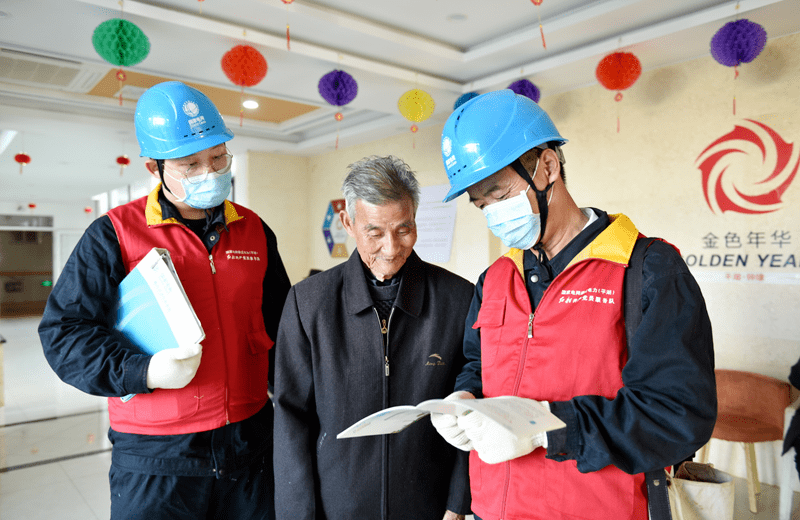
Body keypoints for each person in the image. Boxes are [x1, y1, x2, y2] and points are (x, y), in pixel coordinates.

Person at [430, 89, 717, 520]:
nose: (493, 215)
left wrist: (546, 429)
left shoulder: (646, 269)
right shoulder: (495, 279)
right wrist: (464, 396)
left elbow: (678, 414)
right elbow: (479, 363)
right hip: (494, 508)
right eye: (481, 205)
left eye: (499, 194)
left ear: (547, 166)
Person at [38, 81, 291, 520]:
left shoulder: (253, 230)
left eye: (218, 157)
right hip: (156, 455)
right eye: (190, 164)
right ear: (153, 168)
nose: (210, 172)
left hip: (250, 441)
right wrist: (144, 370)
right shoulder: (114, 234)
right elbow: (64, 334)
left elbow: (284, 325)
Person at [272, 155, 474, 520]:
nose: (392, 248)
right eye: (375, 233)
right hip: (337, 507)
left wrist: (458, 503)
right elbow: (291, 419)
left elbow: (470, 404)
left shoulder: (458, 299)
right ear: (348, 223)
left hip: (429, 506)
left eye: (403, 230)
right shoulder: (308, 303)